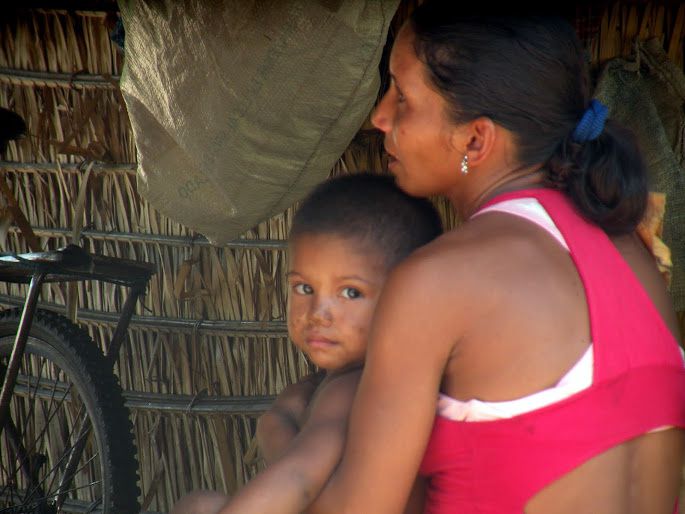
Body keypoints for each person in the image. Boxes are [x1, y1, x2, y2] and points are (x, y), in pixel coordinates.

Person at [191, 3, 685, 514]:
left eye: (402, 98)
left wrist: (282, 438)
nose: (379, 117)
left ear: (476, 138)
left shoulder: (438, 281)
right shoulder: (632, 250)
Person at [170, 172, 442, 514]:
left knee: (197, 507)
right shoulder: (367, 380)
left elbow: (299, 479)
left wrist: (276, 425)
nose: (318, 313)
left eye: (350, 292)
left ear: (407, 298)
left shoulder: (354, 389)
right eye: (304, 288)